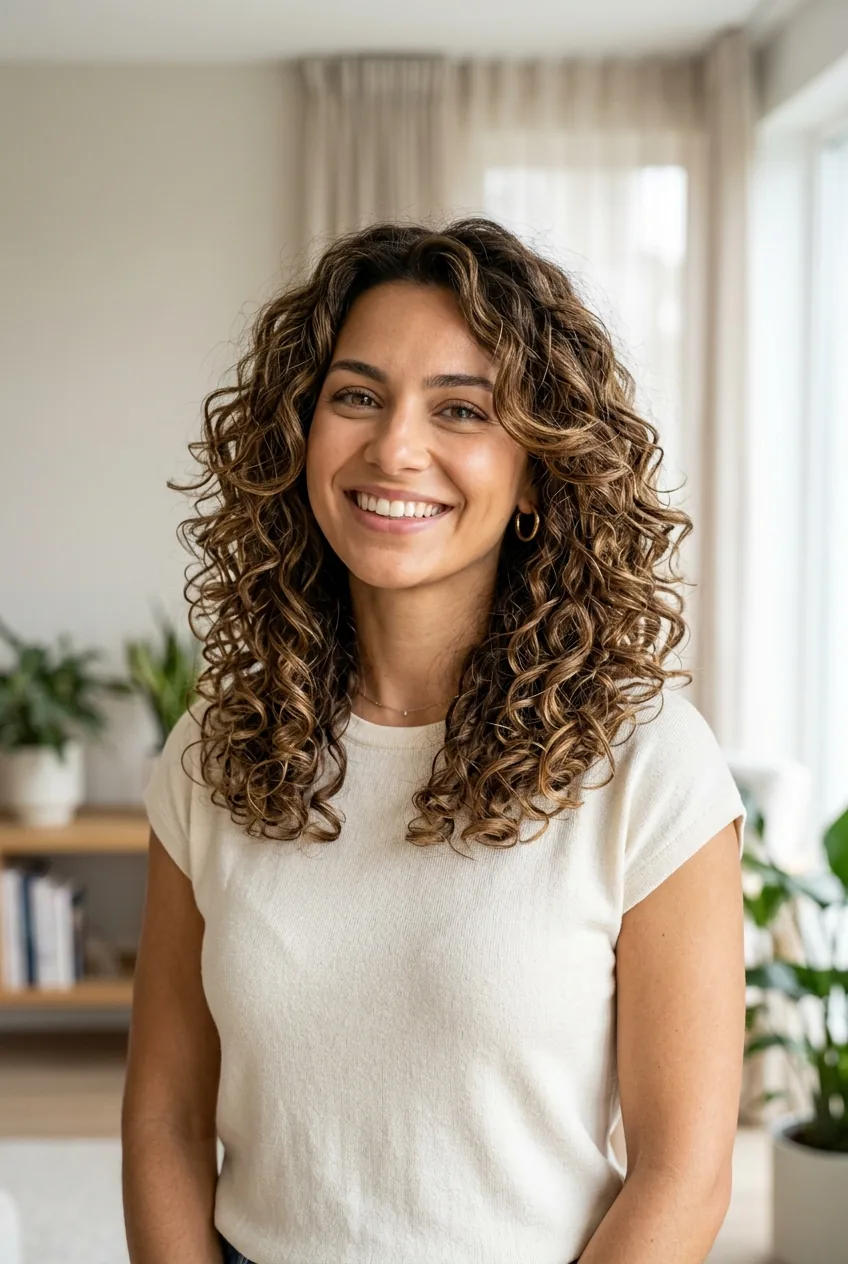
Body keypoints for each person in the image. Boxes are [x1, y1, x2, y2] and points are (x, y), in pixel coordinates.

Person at [121, 218, 747, 1264]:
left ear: (538, 469)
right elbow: (165, 1119)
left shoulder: (649, 764)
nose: (394, 448)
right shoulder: (215, 750)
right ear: (298, 434)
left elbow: (684, 1172)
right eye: (356, 396)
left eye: (460, 408)